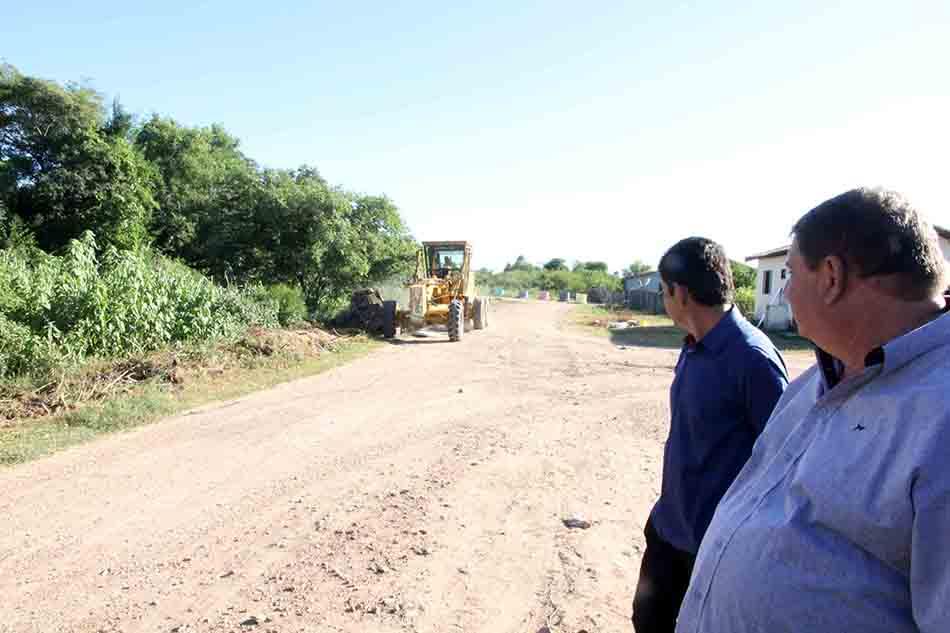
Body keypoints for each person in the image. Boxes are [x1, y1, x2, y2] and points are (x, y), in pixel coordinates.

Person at [676, 188, 950, 633]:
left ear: (830, 277)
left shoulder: (940, 415)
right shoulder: (819, 378)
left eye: (789, 273)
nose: (784, 291)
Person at [632, 237, 789, 632]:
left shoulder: (753, 360)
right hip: (669, 528)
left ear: (681, 294)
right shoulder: (693, 346)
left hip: (713, 546)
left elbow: (784, 464)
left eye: (664, 291)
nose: (664, 300)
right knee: (648, 621)